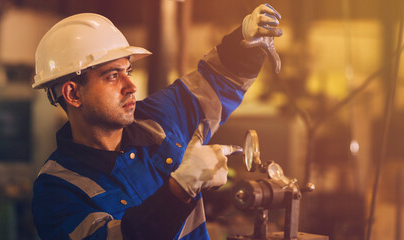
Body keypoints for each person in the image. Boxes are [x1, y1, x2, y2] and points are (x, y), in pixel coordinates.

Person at [31, 3, 283, 240]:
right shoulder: (56, 190)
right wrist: (179, 189)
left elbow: (218, 82)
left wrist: (244, 44)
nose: (131, 86)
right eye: (112, 76)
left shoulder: (158, 119)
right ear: (73, 94)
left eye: (127, 71)